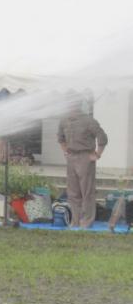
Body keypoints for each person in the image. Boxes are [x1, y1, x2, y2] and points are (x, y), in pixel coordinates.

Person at [57, 97, 108, 229]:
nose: (70, 107)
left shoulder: (88, 121)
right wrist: (65, 152)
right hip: (71, 157)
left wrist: (97, 154)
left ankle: (86, 223)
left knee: (87, 192)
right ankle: (75, 222)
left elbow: (102, 137)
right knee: (73, 192)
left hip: (85, 157)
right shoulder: (64, 121)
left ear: (78, 105)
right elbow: (60, 137)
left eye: (73, 104)